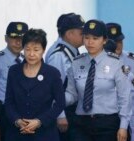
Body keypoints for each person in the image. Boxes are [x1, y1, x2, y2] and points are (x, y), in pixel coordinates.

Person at [65, 19, 131, 141]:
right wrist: (55, 99)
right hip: (81, 125)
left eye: (95, 38)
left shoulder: (116, 63)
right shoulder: (76, 63)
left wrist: (123, 126)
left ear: (104, 40)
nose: (90, 42)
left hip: (107, 124)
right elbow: (72, 95)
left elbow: (124, 97)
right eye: (87, 37)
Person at [4, 29, 65, 141]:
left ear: (43, 50)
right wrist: (17, 121)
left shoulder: (52, 73)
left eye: (36, 50)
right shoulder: (14, 71)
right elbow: (9, 101)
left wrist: (39, 121)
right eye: (27, 49)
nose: (31, 54)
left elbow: (60, 103)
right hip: (17, 133)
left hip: (45, 134)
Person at [0, 22, 28, 141]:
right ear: (6, 38)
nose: (18, 42)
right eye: (14, 38)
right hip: (3, 114)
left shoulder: (27, 61)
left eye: (22, 38)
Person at [106, 23, 134, 141]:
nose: (118, 45)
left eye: (120, 41)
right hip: (108, 118)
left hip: (132, 116)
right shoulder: (100, 61)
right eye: (114, 42)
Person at [45, 13, 85, 141]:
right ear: (69, 34)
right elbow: (52, 89)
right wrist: (60, 115)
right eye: (81, 32)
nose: (84, 35)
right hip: (65, 113)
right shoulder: (59, 56)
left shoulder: (72, 51)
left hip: (73, 111)